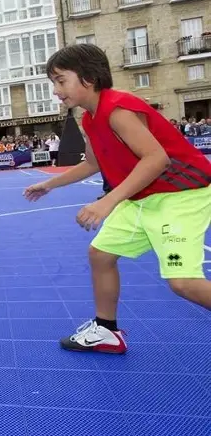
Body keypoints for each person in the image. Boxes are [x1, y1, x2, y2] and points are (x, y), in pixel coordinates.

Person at [24, 43, 211, 354]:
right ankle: (107, 330)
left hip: (180, 197)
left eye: (60, 81)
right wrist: (51, 185)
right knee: (101, 255)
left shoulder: (118, 108)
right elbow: (93, 163)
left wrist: (106, 202)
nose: (56, 91)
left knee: (183, 283)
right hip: (143, 197)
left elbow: (156, 159)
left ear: (88, 78)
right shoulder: (89, 118)